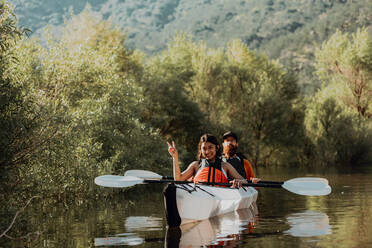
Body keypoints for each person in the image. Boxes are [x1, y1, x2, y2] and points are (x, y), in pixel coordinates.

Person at [167, 134, 247, 188]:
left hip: (221, 198)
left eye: (210, 147)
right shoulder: (196, 165)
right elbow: (178, 180)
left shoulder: (225, 166)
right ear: (200, 150)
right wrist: (175, 157)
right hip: (200, 196)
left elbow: (245, 181)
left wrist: (239, 181)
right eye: (204, 148)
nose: (207, 152)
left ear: (217, 147)